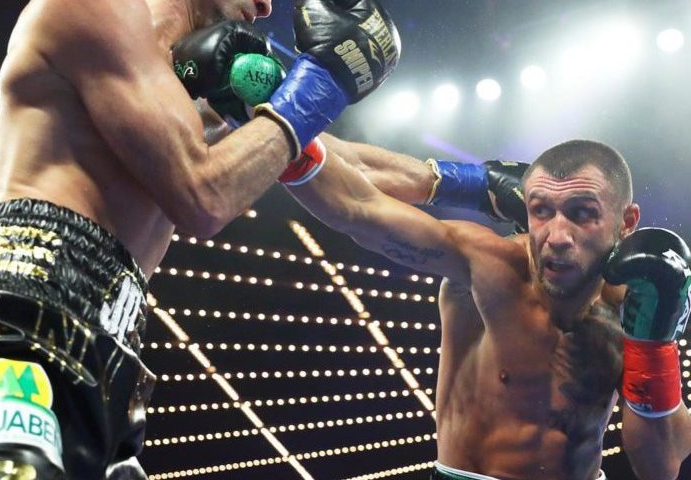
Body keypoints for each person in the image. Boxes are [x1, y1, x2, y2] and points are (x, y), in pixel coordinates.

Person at [0, 0, 401, 476]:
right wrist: (319, 86)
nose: (268, 2)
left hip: (115, 362)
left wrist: (471, 183)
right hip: (23, 320)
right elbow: (203, 196)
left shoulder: (202, 85)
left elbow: (343, 164)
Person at [285, 138, 691, 480]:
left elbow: (659, 466)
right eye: (541, 210)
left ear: (627, 222)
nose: (557, 236)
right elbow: (356, 209)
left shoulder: (638, 303)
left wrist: (653, 346)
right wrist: (282, 121)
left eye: (582, 213)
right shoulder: (487, 267)